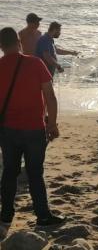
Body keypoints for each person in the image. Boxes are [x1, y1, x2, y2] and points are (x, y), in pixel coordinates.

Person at [0, 27, 65, 228]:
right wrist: (52, 124)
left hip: (8, 130)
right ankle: (43, 216)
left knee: (9, 172)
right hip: (34, 130)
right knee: (35, 173)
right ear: (19, 42)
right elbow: (50, 97)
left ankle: (6, 215)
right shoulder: (35, 63)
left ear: (1, 47)